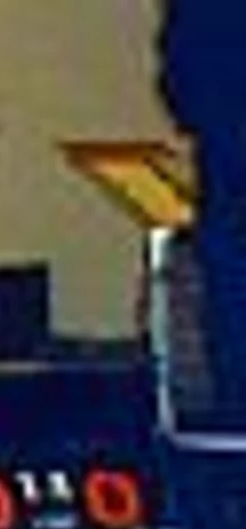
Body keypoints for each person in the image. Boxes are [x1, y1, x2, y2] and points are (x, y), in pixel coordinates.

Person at [158, 0, 246, 430]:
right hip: (225, 152)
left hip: (224, 158)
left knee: (230, 299)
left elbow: (176, 80)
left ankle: (235, 418)